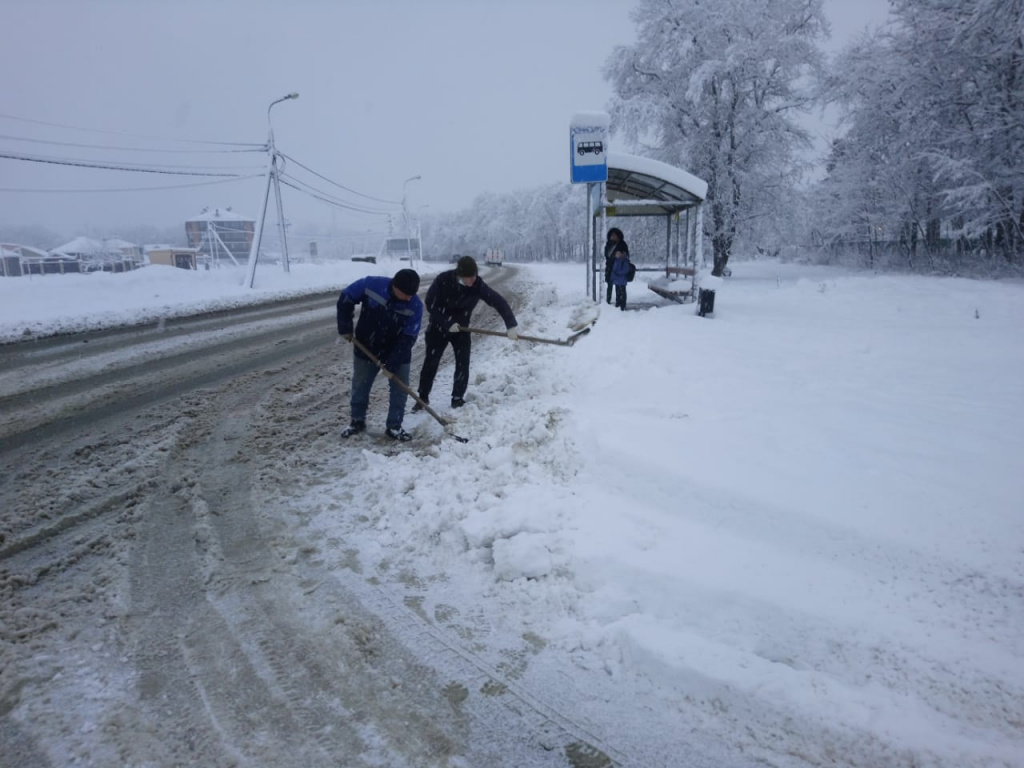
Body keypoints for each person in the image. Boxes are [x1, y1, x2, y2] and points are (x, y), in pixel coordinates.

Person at [414, 256, 518, 410]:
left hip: (462, 329)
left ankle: (457, 397)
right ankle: (422, 398)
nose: (471, 281)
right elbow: (431, 305)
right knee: (431, 362)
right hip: (438, 327)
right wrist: (447, 323)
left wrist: (511, 325)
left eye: (474, 277)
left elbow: (498, 301)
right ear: (459, 275)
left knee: (463, 363)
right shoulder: (443, 280)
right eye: (468, 278)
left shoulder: (477, 285)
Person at [336, 268, 423, 442]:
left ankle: (394, 427)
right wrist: (345, 326)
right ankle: (357, 422)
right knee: (361, 385)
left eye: (411, 295)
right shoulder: (372, 285)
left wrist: (392, 363)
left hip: (397, 349)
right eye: (405, 294)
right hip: (367, 344)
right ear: (395, 286)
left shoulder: (415, 306)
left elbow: (408, 338)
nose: (408, 298)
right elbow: (346, 298)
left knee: (400, 389)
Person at [604, 227, 627, 304]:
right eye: (612, 235)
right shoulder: (609, 244)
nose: (613, 237)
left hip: (619, 269)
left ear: (618, 236)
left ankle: (620, 303)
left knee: (620, 287)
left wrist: (622, 255)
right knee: (609, 286)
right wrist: (614, 255)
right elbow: (607, 255)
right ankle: (607, 302)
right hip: (610, 268)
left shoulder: (623, 244)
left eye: (614, 235)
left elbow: (626, 255)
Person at [609, 243, 632, 310]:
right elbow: (613, 270)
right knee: (618, 292)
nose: (617, 255)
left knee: (622, 292)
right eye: (616, 253)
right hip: (617, 280)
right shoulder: (616, 261)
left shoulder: (624, 261)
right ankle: (618, 303)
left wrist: (618, 273)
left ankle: (622, 305)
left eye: (618, 253)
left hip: (621, 279)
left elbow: (625, 269)